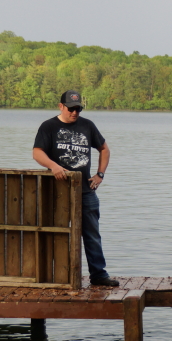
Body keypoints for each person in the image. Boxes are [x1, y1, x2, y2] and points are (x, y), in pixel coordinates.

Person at [33, 90, 117, 287]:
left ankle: (98, 275)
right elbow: (37, 152)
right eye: (71, 108)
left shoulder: (87, 125)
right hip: (58, 192)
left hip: (86, 191)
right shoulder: (49, 126)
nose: (75, 112)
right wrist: (53, 166)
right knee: (57, 233)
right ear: (61, 106)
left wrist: (100, 174)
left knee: (92, 234)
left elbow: (104, 149)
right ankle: (56, 275)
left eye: (78, 108)